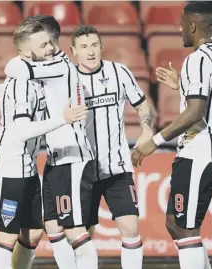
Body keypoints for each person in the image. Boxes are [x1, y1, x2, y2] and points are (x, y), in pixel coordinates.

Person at [0, 15, 99, 269]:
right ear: (27, 52)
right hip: (8, 168)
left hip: (34, 166)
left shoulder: (44, 71)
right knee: (13, 235)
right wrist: (61, 118)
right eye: (43, 45)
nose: (50, 48)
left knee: (36, 232)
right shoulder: (26, 77)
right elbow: (20, 130)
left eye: (49, 42)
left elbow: (20, 78)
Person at [132, 2, 212, 269]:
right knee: (176, 223)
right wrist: (182, 84)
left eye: (181, 24)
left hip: (200, 152)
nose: (179, 28)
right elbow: (211, 98)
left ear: (193, 26)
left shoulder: (197, 59)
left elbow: (194, 113)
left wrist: (152, 142)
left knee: (184, 227)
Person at [70, 25, 155, 269]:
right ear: (74, 51)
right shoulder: (68, 80)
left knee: (130, 227)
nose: (90, 51)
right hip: (82, 170)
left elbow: (142, 105)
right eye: (84, 46)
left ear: (101, 46)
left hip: (117, 167)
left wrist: (147, 129)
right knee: (84, 234)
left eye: (94, 45)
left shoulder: (119, 72)